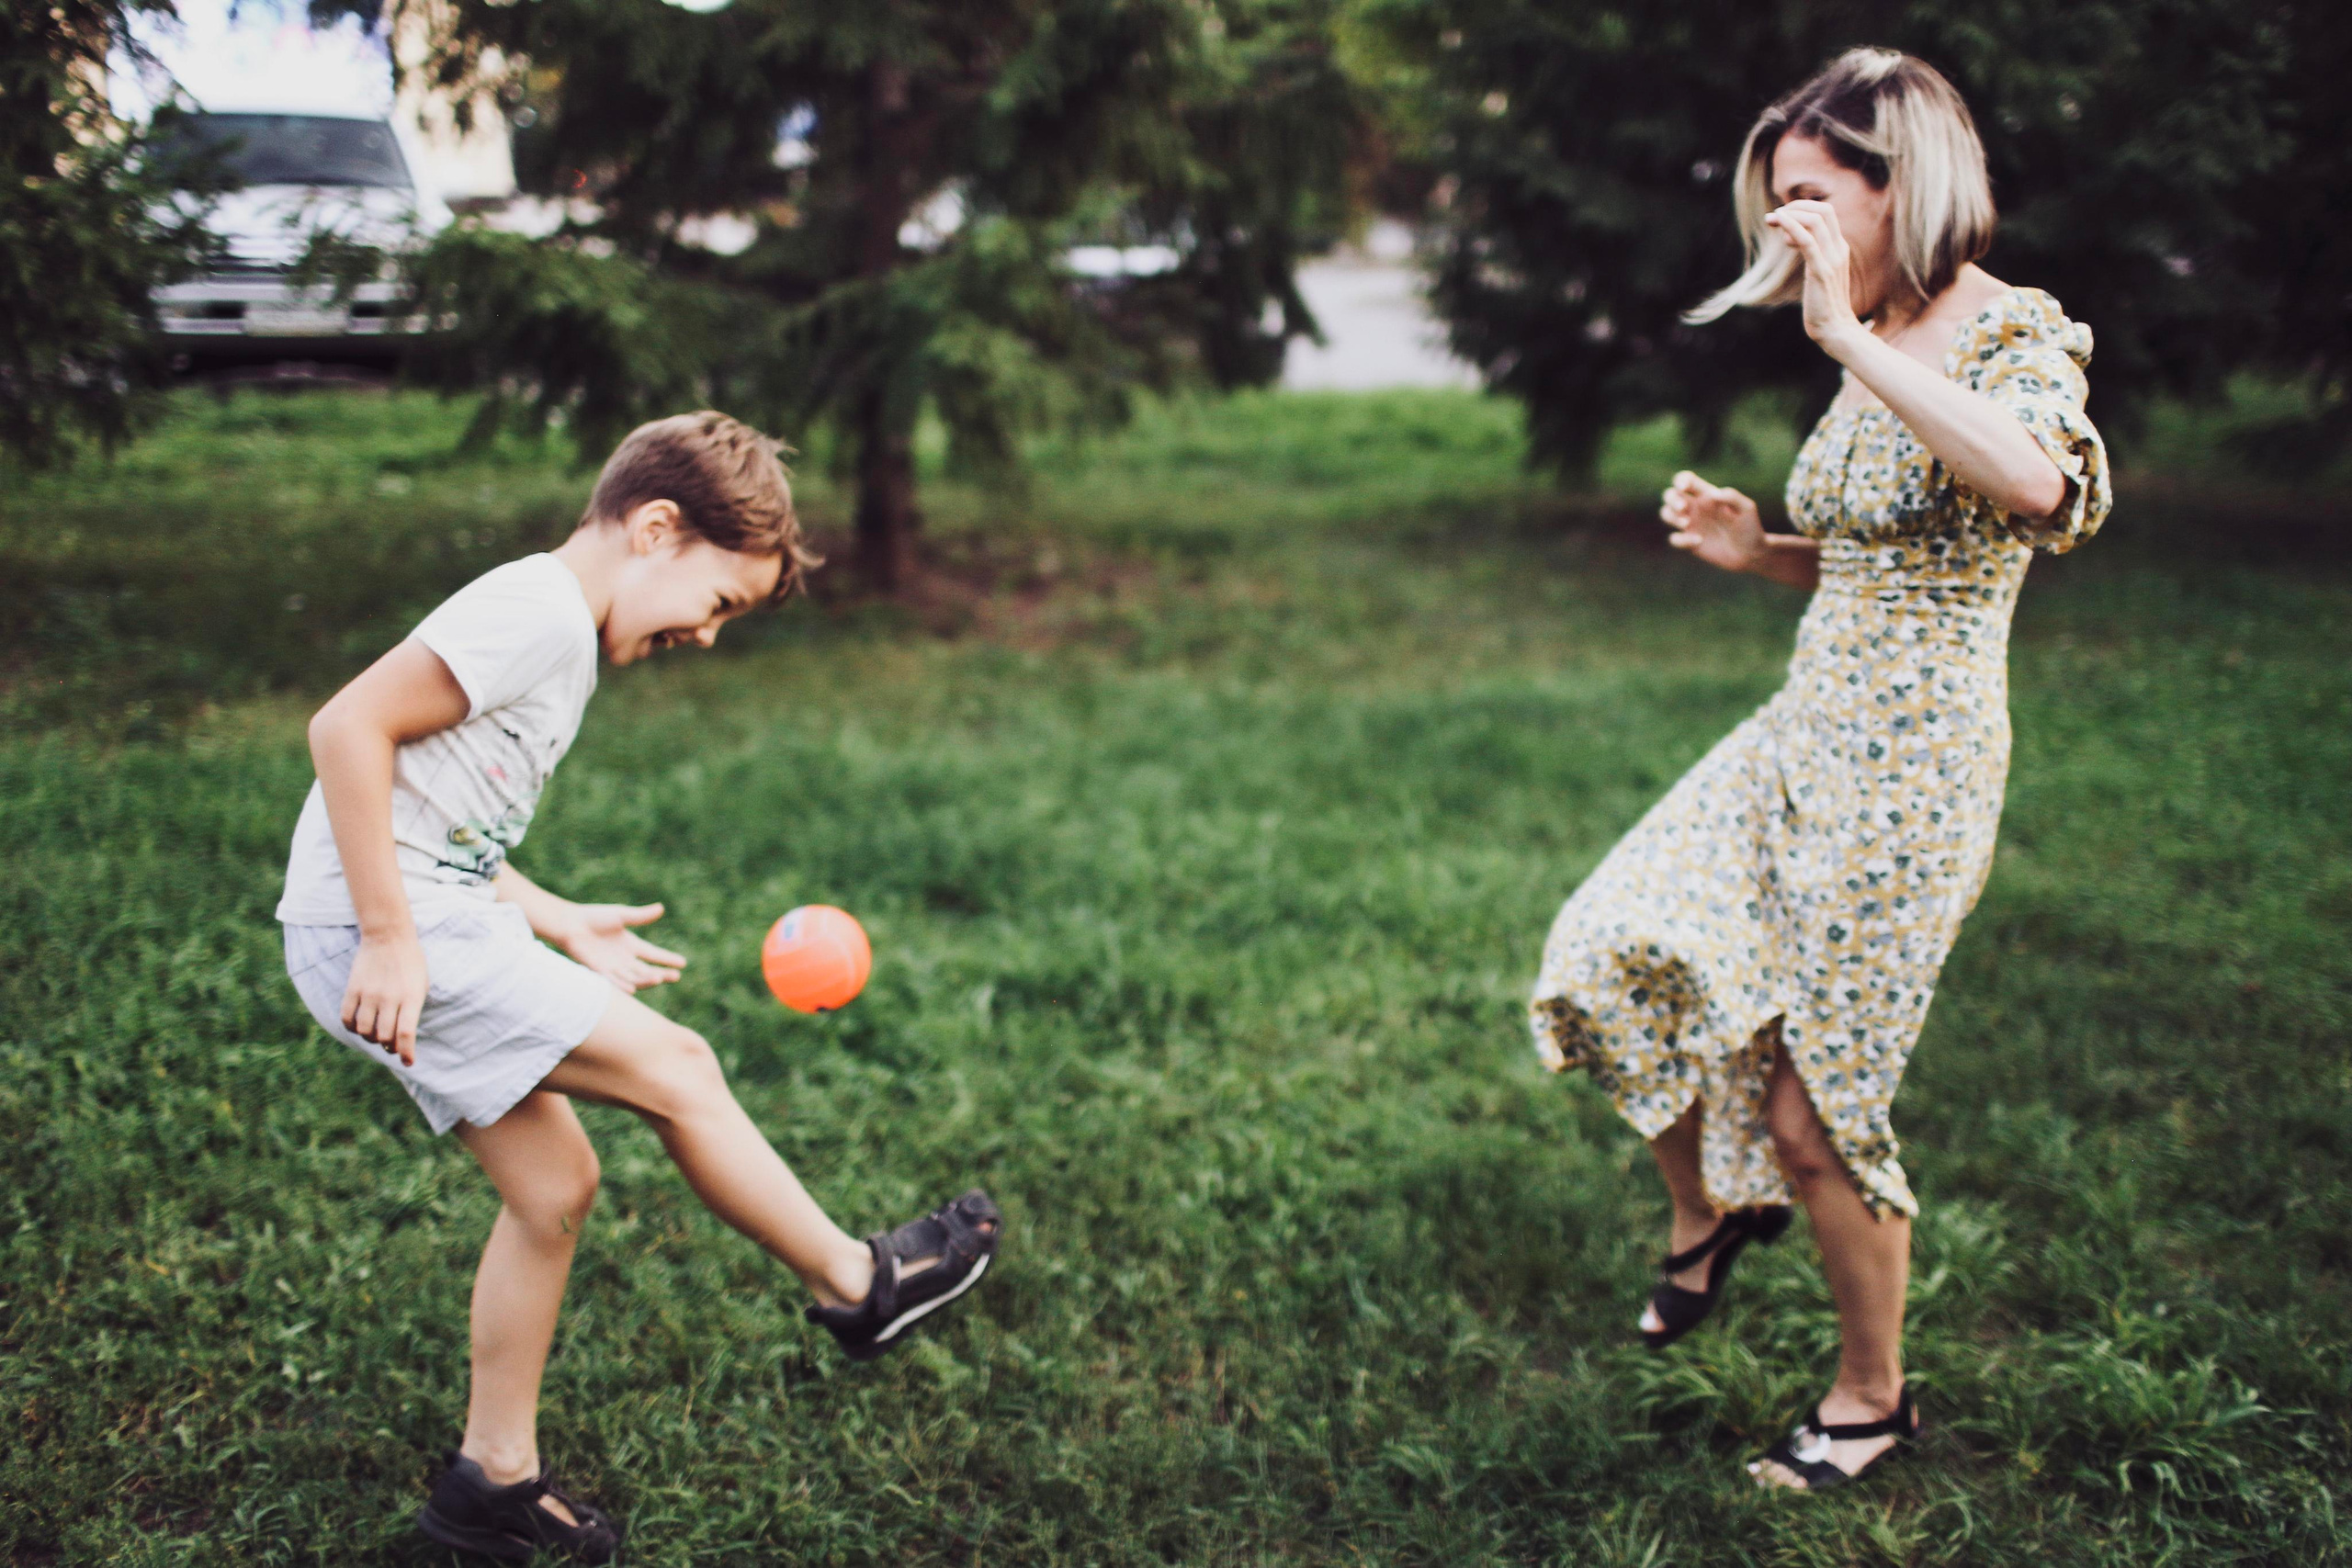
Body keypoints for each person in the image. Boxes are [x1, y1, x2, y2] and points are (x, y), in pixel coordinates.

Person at [1527, 48, 2110, 1491]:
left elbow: (2037, 487)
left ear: (1894, 181)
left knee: (1815, 1113)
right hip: (1799, 731)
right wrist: (1759, 547)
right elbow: (1884, 557)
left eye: (1807, 194)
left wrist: (1856, 342)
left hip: (1913, 771)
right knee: (1604, 953)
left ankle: (1873, 1392)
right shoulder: (1883, 322)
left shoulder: (2008, 331)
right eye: (1775, 198)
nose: (1784, 225)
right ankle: (1707, 1214)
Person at [277, 412, 1001, 1562]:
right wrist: (386, 935)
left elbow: (439, 809)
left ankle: (488, 1491)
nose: (709, 638)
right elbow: (347, 725)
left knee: (555, 1187)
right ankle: (861, 1283)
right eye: (716, 604)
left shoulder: (556, 628)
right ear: (657, 529)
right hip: (386, 928)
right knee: (682, 1067)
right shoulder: (536, 611)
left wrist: (554, 913)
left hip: (426, 913)